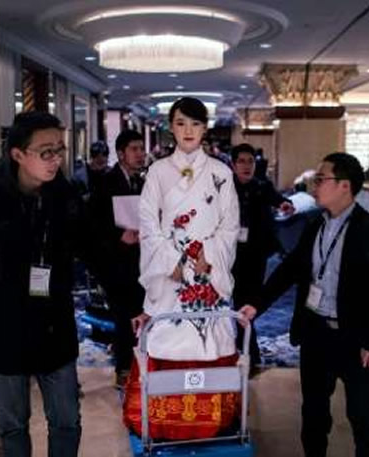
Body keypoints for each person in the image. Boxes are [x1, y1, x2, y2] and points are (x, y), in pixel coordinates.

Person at [0, 112, 92, 457]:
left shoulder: (66, 196)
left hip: (56, 332)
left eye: (60, 150)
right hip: (2, 334)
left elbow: (96, 252)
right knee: (12, 427)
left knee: (67, 422)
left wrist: (133, 303)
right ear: (17, 154)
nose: (56, 159)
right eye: (46, 152)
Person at [240, 152, 369, 457]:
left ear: (345, 185)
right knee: (314, 415)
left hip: (356, 339)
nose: (314, 186)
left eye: (321, 179)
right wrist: (256, 305)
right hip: (316, 333)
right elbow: (289, 270)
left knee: (364, 419)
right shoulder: (315, 224)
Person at [123, 97, 243, 440]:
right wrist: (171, 262)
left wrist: (209, 256)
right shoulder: (158, 172)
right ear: (171, 128)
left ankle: (211, 422)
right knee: (168, 337)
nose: (188, 131)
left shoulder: (221, 173)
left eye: (195, 123)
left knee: (207, 336)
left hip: (208, 271)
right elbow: (149, 225)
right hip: (170, 276)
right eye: (180, 123)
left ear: (205, 128)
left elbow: (230, 226)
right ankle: (164, 424)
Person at [89, 130, 146, 388]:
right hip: (114, 261)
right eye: (134, 149)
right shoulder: (106, 182)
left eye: (141, 149)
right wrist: (118, 236)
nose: (140, 154)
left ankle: (137, 364)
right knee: (123, 316)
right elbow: (93, 223)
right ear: (121, 153)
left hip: (138, 260)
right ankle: (123, 369)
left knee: (138, 313)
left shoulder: (141, 182)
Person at [230, 143, 294, 367]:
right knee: (239, 298)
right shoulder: (225, 187)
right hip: (232, 253)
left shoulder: (262, 186)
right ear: (233, 165)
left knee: (250, 299)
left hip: (256, 253)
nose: (247, 166)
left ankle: (247, 346)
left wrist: (285, 204)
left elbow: (278, 199)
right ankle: (248, 347)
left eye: (250, 161)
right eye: (241, 161)